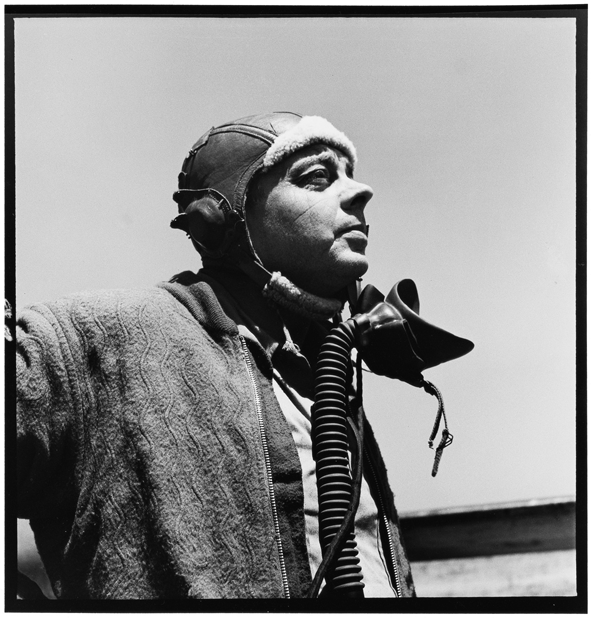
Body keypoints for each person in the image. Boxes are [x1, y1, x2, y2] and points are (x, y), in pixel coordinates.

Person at [16, 112, 416, 599]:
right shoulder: (105, 337)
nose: (361, 191)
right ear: (221, 217)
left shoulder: (321, 367)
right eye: (317, 177)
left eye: (349, 174)